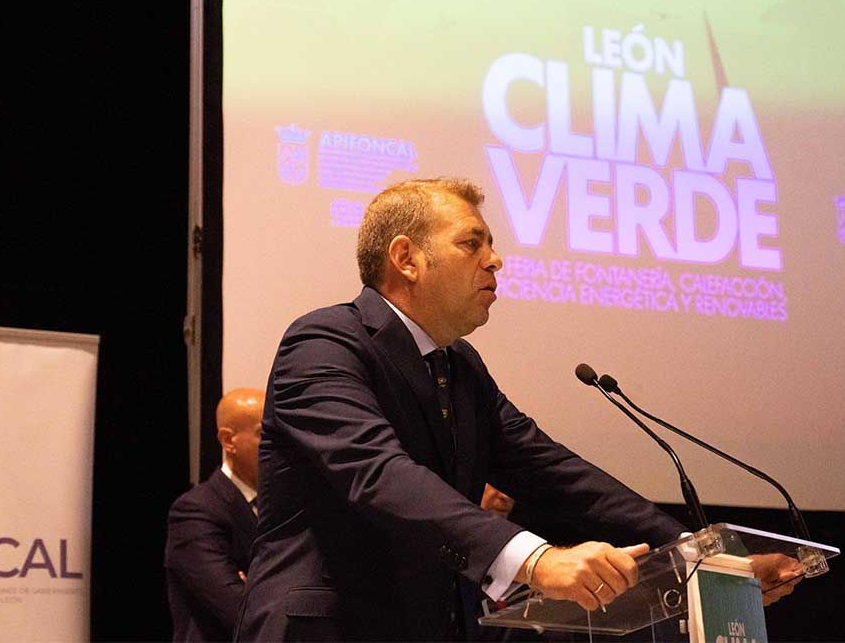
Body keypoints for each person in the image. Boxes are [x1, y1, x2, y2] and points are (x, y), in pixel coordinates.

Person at [237, 178, 798, 642]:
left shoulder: (461, 367)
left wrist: (698, 556)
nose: (496, 260)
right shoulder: (324, 342)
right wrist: (534, 559)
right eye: (471, 244)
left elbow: (553, 472)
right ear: (406, 258)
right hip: (327, 629)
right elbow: (377, 474)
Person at [165, 388, 265, 642]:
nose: (276, 445)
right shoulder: (195, 511)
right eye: (263, 433)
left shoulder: (286, 507)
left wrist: (254, 583)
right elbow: (239, 611)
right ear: (228, 440)